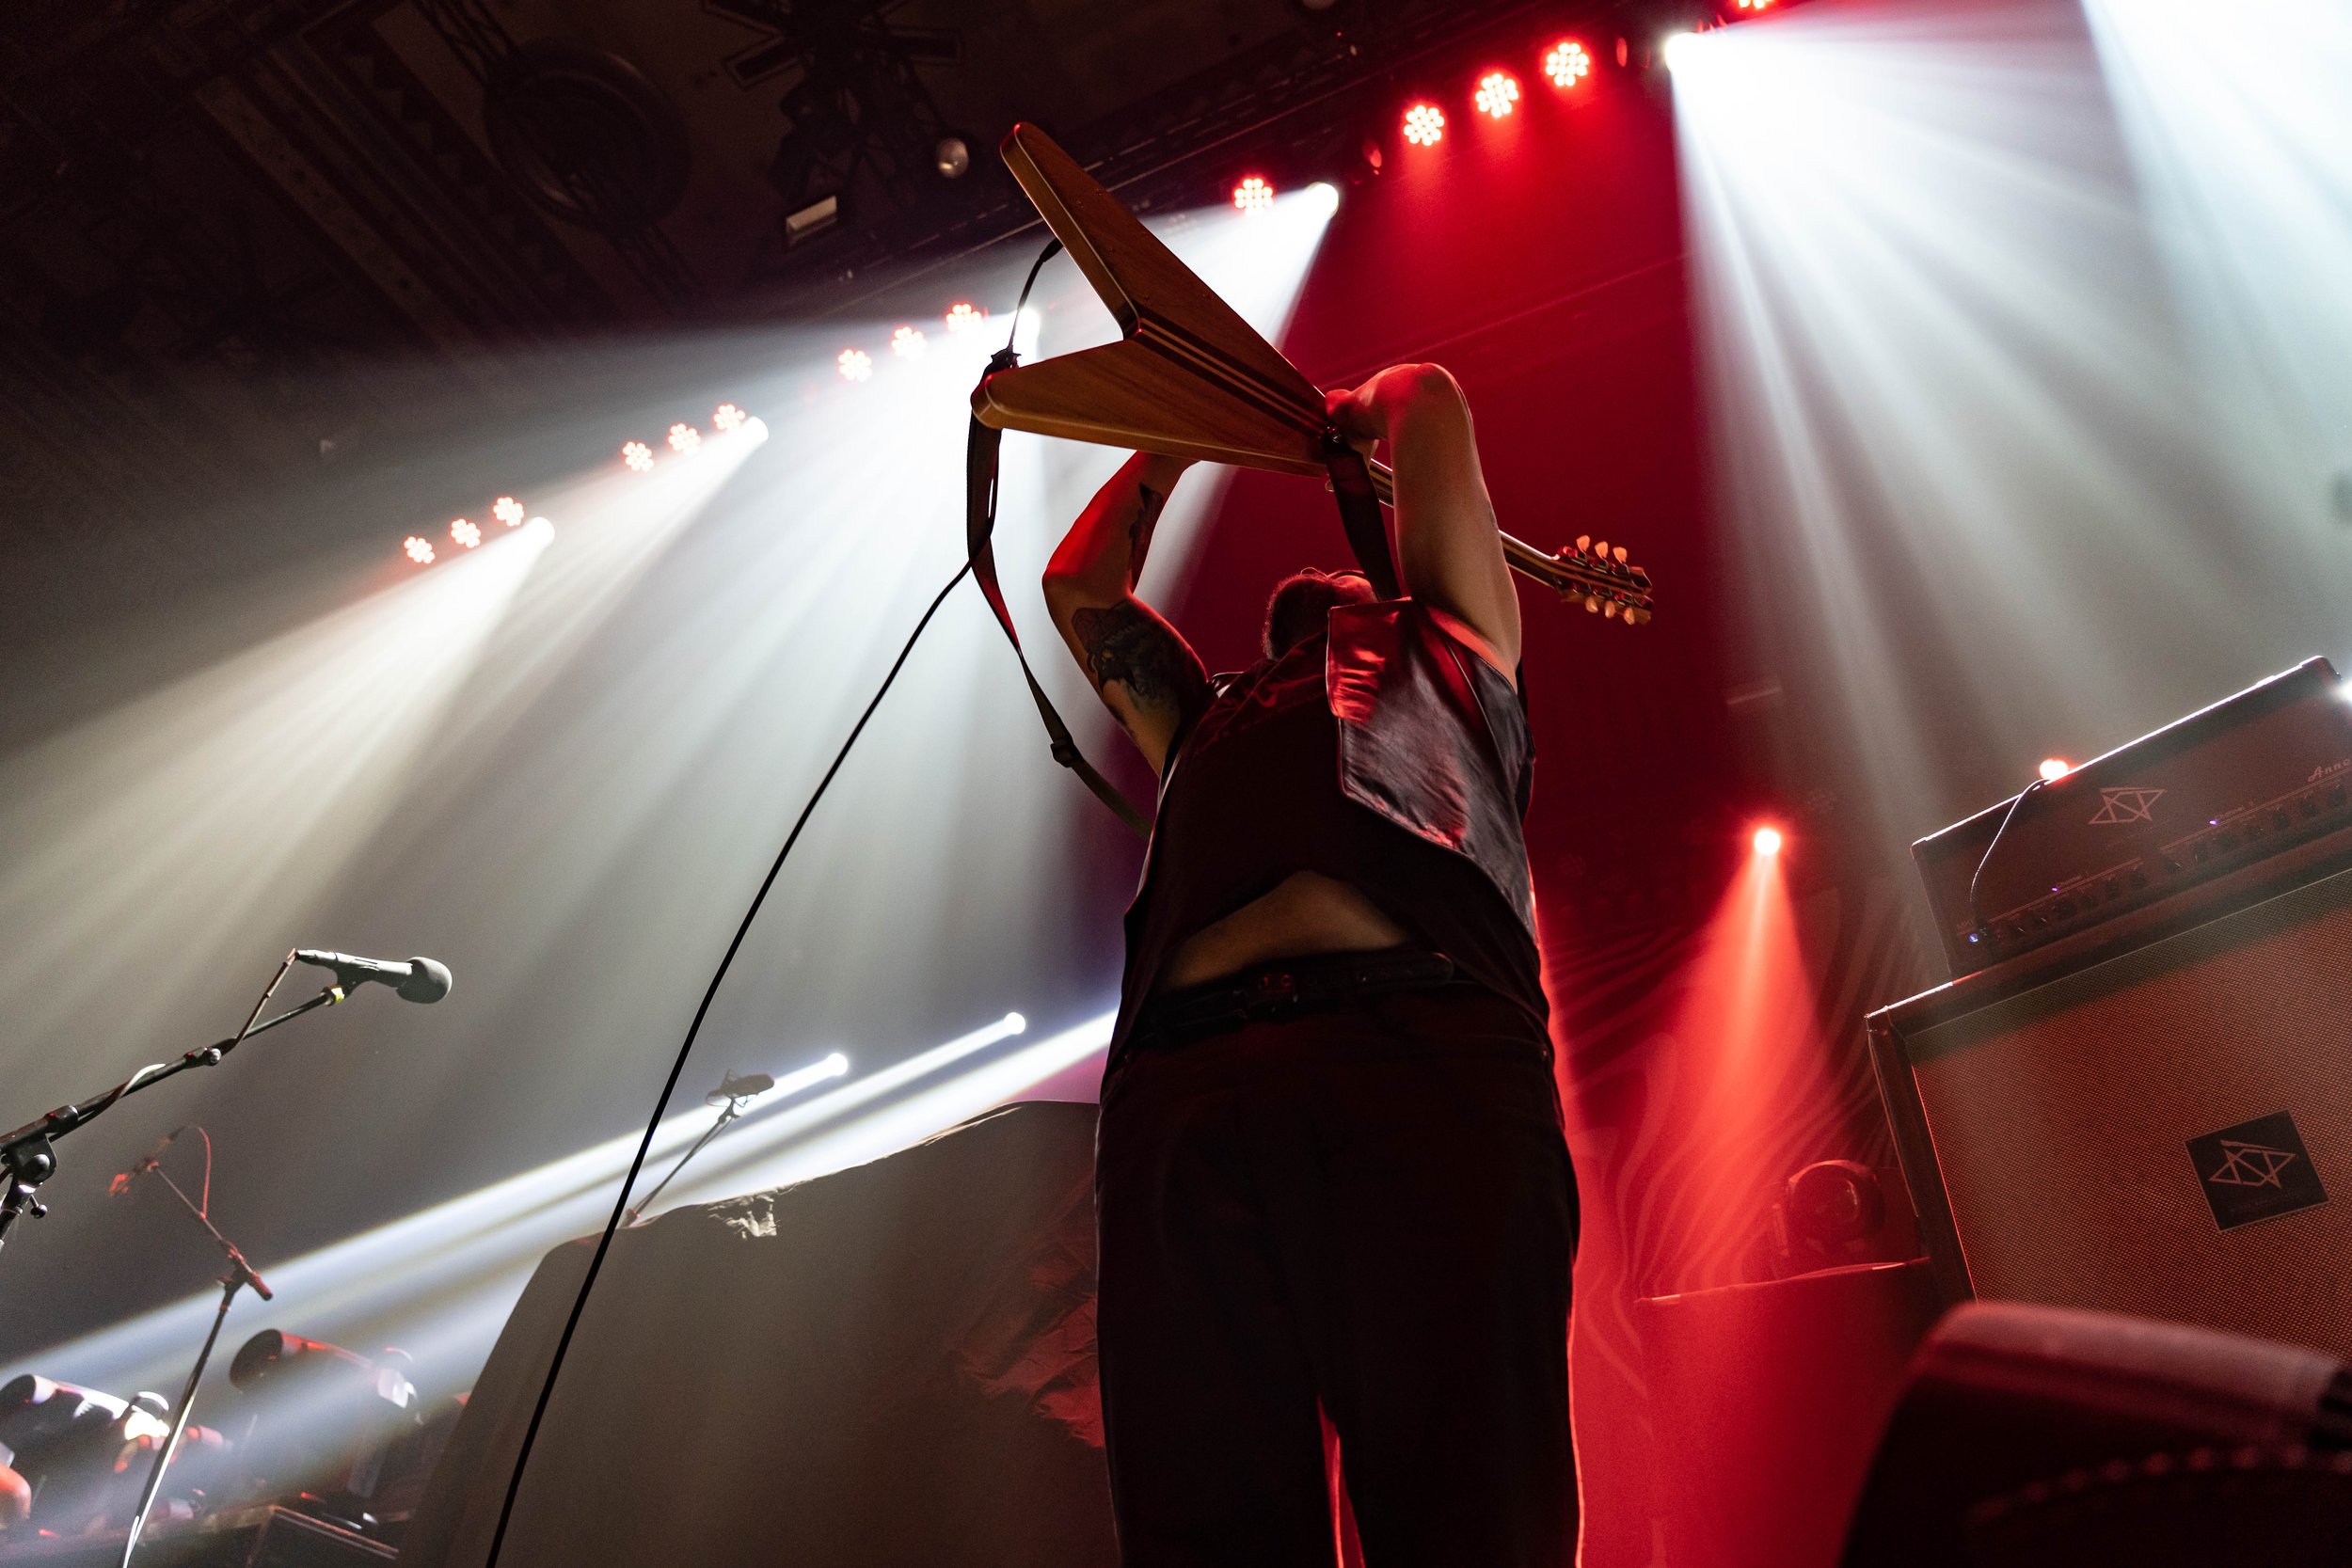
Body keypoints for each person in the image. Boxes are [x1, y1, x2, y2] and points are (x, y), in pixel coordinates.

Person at [1041, 363, 1580, 1567]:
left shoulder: (1450, 646)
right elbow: (1079, 585)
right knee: (1202, 1523)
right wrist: (1180, 436)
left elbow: (1437, 398)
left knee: (1468, 1514)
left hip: (1417, 1061)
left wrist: (1362, 400)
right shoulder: (1206, 715)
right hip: (1186, 1093)